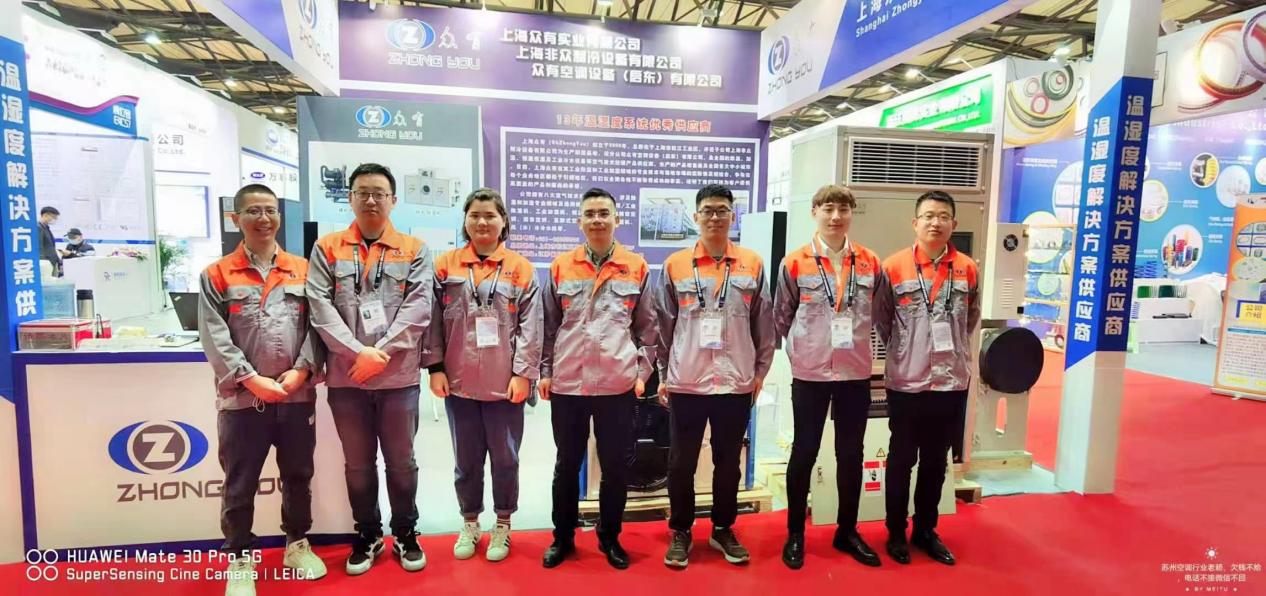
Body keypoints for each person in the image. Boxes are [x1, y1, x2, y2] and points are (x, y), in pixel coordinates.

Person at [198, 184, 327, 596]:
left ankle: (297, 544)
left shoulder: (303, 269)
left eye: (270, 210)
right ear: (235, 219)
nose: (263, 218)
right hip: (242, 400)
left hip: (296, 396)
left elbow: (318, 327)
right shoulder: (217, 274)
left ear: (279, 217)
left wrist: (302, 371)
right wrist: (251, 379)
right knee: (240, 482)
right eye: (253, 211)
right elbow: (214, 335)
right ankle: (239, 557)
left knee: (298, 475)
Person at [307, 163, 434, 575]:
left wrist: (378, 352)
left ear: (393, 200)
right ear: (350, 198)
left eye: (379, 193)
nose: (371, 200)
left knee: (401, 462)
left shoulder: (415, 249)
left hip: (398, 379)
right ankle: (367, 533)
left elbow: (419, 309)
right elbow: (319, 307)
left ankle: (406, 532)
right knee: (358, 464)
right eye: (362, 192)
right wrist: (356, 353)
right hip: (348, 379)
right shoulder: (327, 248)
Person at [655, 184, 774, 569]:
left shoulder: (752, 263)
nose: (715, 217)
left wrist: (759, 373)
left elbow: (764, 324)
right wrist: (663, 375)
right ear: (695, 216)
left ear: (732, 215)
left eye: (722, 210)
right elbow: (663, 327)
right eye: (707, 210)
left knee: (728, 463)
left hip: (735, 382)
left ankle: (723, 528)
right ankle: (681, 530)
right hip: (687, 381)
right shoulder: (675, 265)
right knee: (681, 463)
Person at [539, 188, 657, 570]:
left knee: (615, 466)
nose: (597, 220)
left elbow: (649, 329)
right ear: (580, 222)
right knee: (566, 465)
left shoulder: (636, 267)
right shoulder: (561, 266)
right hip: (569, 385)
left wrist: (641, 373)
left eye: (604, 213)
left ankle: (610, 537)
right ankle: (563, 537)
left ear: (617, 219)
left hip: (616, 385)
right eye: (589, 213)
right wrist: (545, 372)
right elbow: (547, 326)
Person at [424, 188, 542, 563]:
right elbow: (432, 322)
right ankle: (470, 522)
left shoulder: (521, 268)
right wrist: (435, 367)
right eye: (474, 215)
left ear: (503, 221)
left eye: (490, 215)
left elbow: (532, 328)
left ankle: (503, 523)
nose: (482, 222)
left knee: (505, 459)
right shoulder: (446, 265)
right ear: (465, 221)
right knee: (466, 460)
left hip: (504, 384)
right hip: (458, 383)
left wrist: (523, 374)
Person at [773, 184, 885, 570]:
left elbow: (882, 314)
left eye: (843, 209)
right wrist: (804, 349)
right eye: (828, 208)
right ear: (815, 212)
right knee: (804, 450)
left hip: (854, 372)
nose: (836, 216)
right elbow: (781, 315)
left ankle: (847, 531)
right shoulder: (795, 261)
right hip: (811, 373)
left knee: (851, 453)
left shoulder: (870, 261)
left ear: (852, 213)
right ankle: (795, 534)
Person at [874, 190, 981, 567]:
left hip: (951, 381)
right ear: (915, 222)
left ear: (954, 223)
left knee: (937, 460)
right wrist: (908, 349)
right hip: (907, 379)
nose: (936, 222)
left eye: (944, 216)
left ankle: (926, 530)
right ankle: (895, 531)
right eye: (929, 216)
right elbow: (882, 319)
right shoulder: (893, 266)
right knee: (901, 458)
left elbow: (970, 317)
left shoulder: (967, 267)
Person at [37, 206, 61, 276]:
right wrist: (44, 263)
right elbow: (39, 247)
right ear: (45, 215)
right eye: (53, 217)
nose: (55, 219)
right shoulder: (38, 228)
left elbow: (51, 246)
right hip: (46, 264)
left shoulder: (46, 228)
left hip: (52, 262)